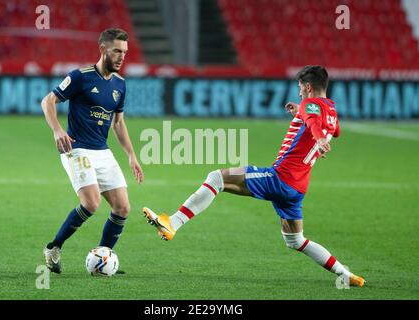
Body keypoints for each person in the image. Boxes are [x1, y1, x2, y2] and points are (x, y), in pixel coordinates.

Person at [143, 65, 365, 287]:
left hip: (279, 178)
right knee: (296, 240)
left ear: (308, 87)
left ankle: (173, 222)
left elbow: (314, 123)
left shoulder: (311, 106)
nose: (299, 93)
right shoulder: (331, 111)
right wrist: (303, 114)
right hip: (297, 189)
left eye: (300, 88)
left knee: (217, 177)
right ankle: (345, 273)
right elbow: (333, 130)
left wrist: (317, 136)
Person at [41, 28, 144, 274]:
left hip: (102, 151)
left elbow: (118, 123)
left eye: (125, 52)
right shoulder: (81, 77)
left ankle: (103, 258)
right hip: (77, 149)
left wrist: (131, 155)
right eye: (117, 51)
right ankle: (53, 247)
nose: (121, 57)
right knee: (92, 203)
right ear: (103, 50)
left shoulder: (120, 84)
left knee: (123, 208)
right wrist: (57, 130)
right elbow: (48, 101)